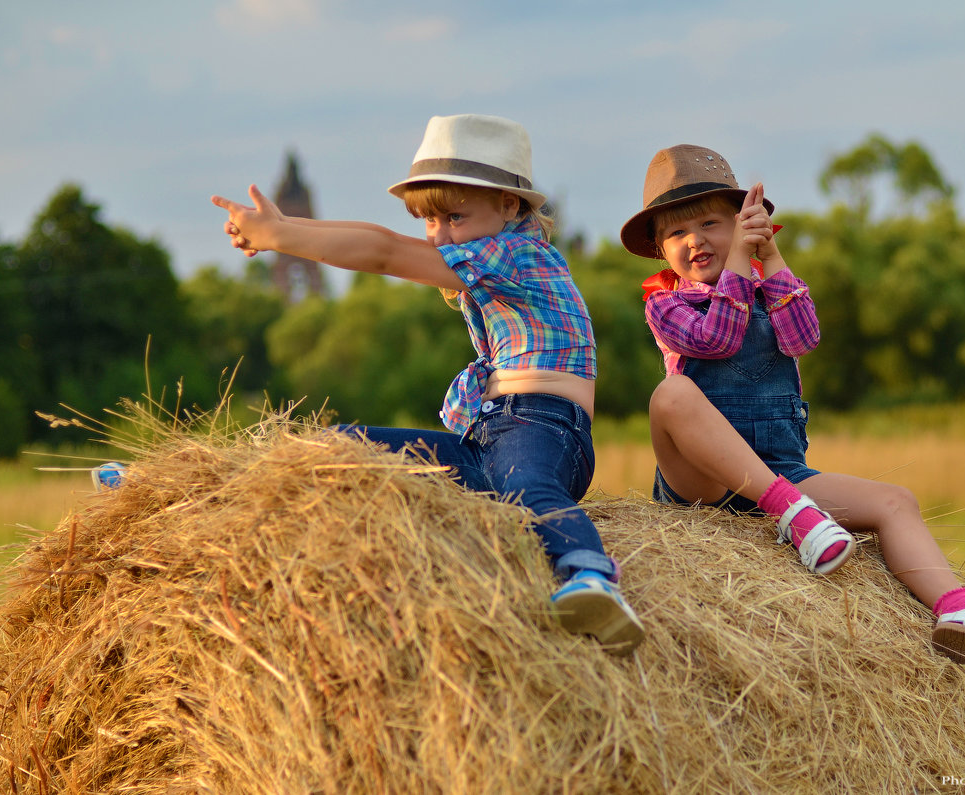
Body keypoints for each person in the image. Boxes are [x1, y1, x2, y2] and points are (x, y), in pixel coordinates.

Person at [202, 114, 643, 655]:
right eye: (429, 220)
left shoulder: (516, 254)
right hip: (487, 440)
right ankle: (199, 490)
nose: (439, 234)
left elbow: (384, 250)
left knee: (525, 487)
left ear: (510, 205)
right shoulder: (487, 249)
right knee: (341, 445)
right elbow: (380, 236)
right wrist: (284, 233)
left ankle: (590, 575)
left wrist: (282, 235)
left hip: (546, 431)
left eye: (455, 215)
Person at [619, 143, 965, 678]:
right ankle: (790, 510)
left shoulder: (764, 287)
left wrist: (770, 258)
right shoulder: (666, 304)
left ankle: (959, 612)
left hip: (783, 469)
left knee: (897, 501)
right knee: (671, 395)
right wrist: (739, 258)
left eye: (710, 224)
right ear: (660, 249)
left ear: (742, 224)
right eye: (676, 233)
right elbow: (720, 338)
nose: (694, 241)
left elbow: (804, 335)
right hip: (704, 485)